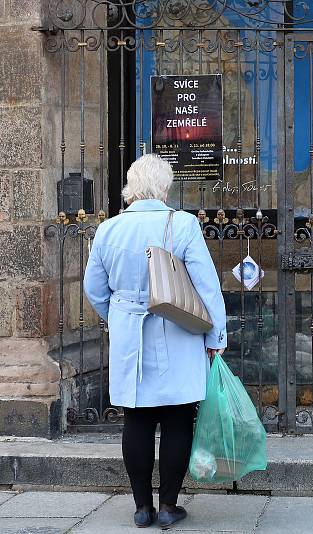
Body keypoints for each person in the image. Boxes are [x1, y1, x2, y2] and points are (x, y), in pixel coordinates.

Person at [84, 154, 227, 529]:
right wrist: (216, 335)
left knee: (137, 417)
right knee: (179, 417)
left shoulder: (108, 230)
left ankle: (142, 508)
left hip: (131, 332)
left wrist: (119, 315)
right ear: (165, 188)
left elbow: (95, 289)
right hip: (177, 329)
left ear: (131, 186)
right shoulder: (182, 225)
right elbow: (206, 287)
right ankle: (168, 506)